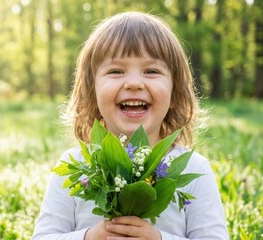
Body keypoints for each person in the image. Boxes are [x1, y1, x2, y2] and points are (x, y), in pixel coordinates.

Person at [31, 12, 228, 240]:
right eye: (116, 71)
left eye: (151, 71)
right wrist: (88, 237)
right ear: (92, 92)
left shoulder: (193, 169)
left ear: (175, 93)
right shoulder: (76, 166)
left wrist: (159, 239)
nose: (134, 83)